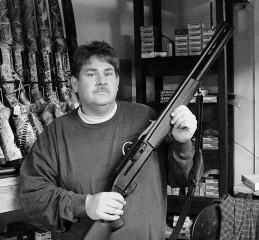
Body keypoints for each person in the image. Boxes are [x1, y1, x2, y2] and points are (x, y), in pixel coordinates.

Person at [18, 40, 199, 240]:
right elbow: (33, 197)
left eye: (108, 73)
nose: (101, 80)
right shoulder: (56, 134)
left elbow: (183, 179)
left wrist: (182, 143)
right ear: (75, 83)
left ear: (117, 80)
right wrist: (84, 204)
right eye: (91, 73)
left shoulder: (146, 118)